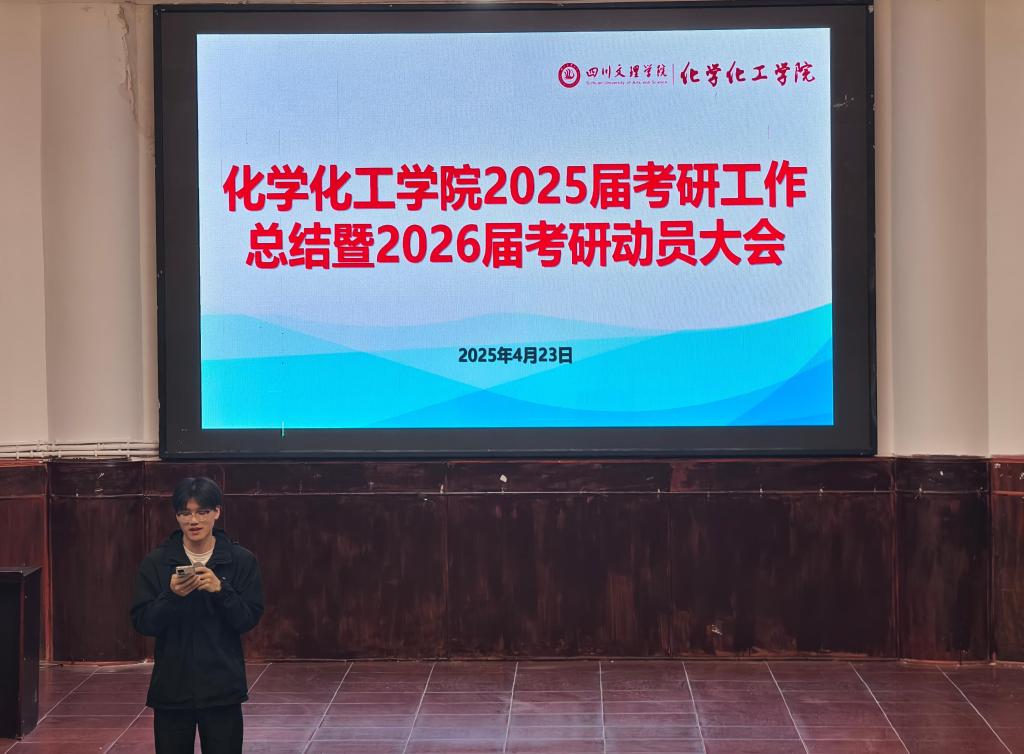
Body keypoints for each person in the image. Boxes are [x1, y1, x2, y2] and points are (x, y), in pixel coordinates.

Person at [130, 476, 264, 754]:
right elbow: (143, 622)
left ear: (217, 512)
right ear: (177, 516)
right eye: (185, 513)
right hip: (172, 688)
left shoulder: (240, 560)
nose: (194, 521)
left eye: (202, 512)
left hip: (222, 688)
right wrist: (171, 596)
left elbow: (247, 619)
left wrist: (221, 590)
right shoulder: (156, 562)